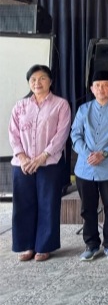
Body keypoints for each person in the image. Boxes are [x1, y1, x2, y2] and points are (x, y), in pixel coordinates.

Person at [9, 65, 71, 262]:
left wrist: (42, 157)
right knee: (23, 205)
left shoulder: (60, 104)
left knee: (48, 204)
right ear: (29, 83)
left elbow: (61, 134)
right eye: (33, 79)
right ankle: (26, 246)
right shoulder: (20, 106)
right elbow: (13, 134)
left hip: (49, 163)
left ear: (50, 81)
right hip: (23, 165)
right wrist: (23, 158)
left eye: (42, 78)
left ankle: (44, 246)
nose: (38, 83)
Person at [71, 70, 108, 261]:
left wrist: (104, 153)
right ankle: (91, 244)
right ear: (91, 88)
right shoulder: (83, 110)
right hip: (85, 168)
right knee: (87, 209)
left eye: (105, 85)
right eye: (97, 85)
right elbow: (75, 135)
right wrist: (88, 154)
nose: (101, 89)